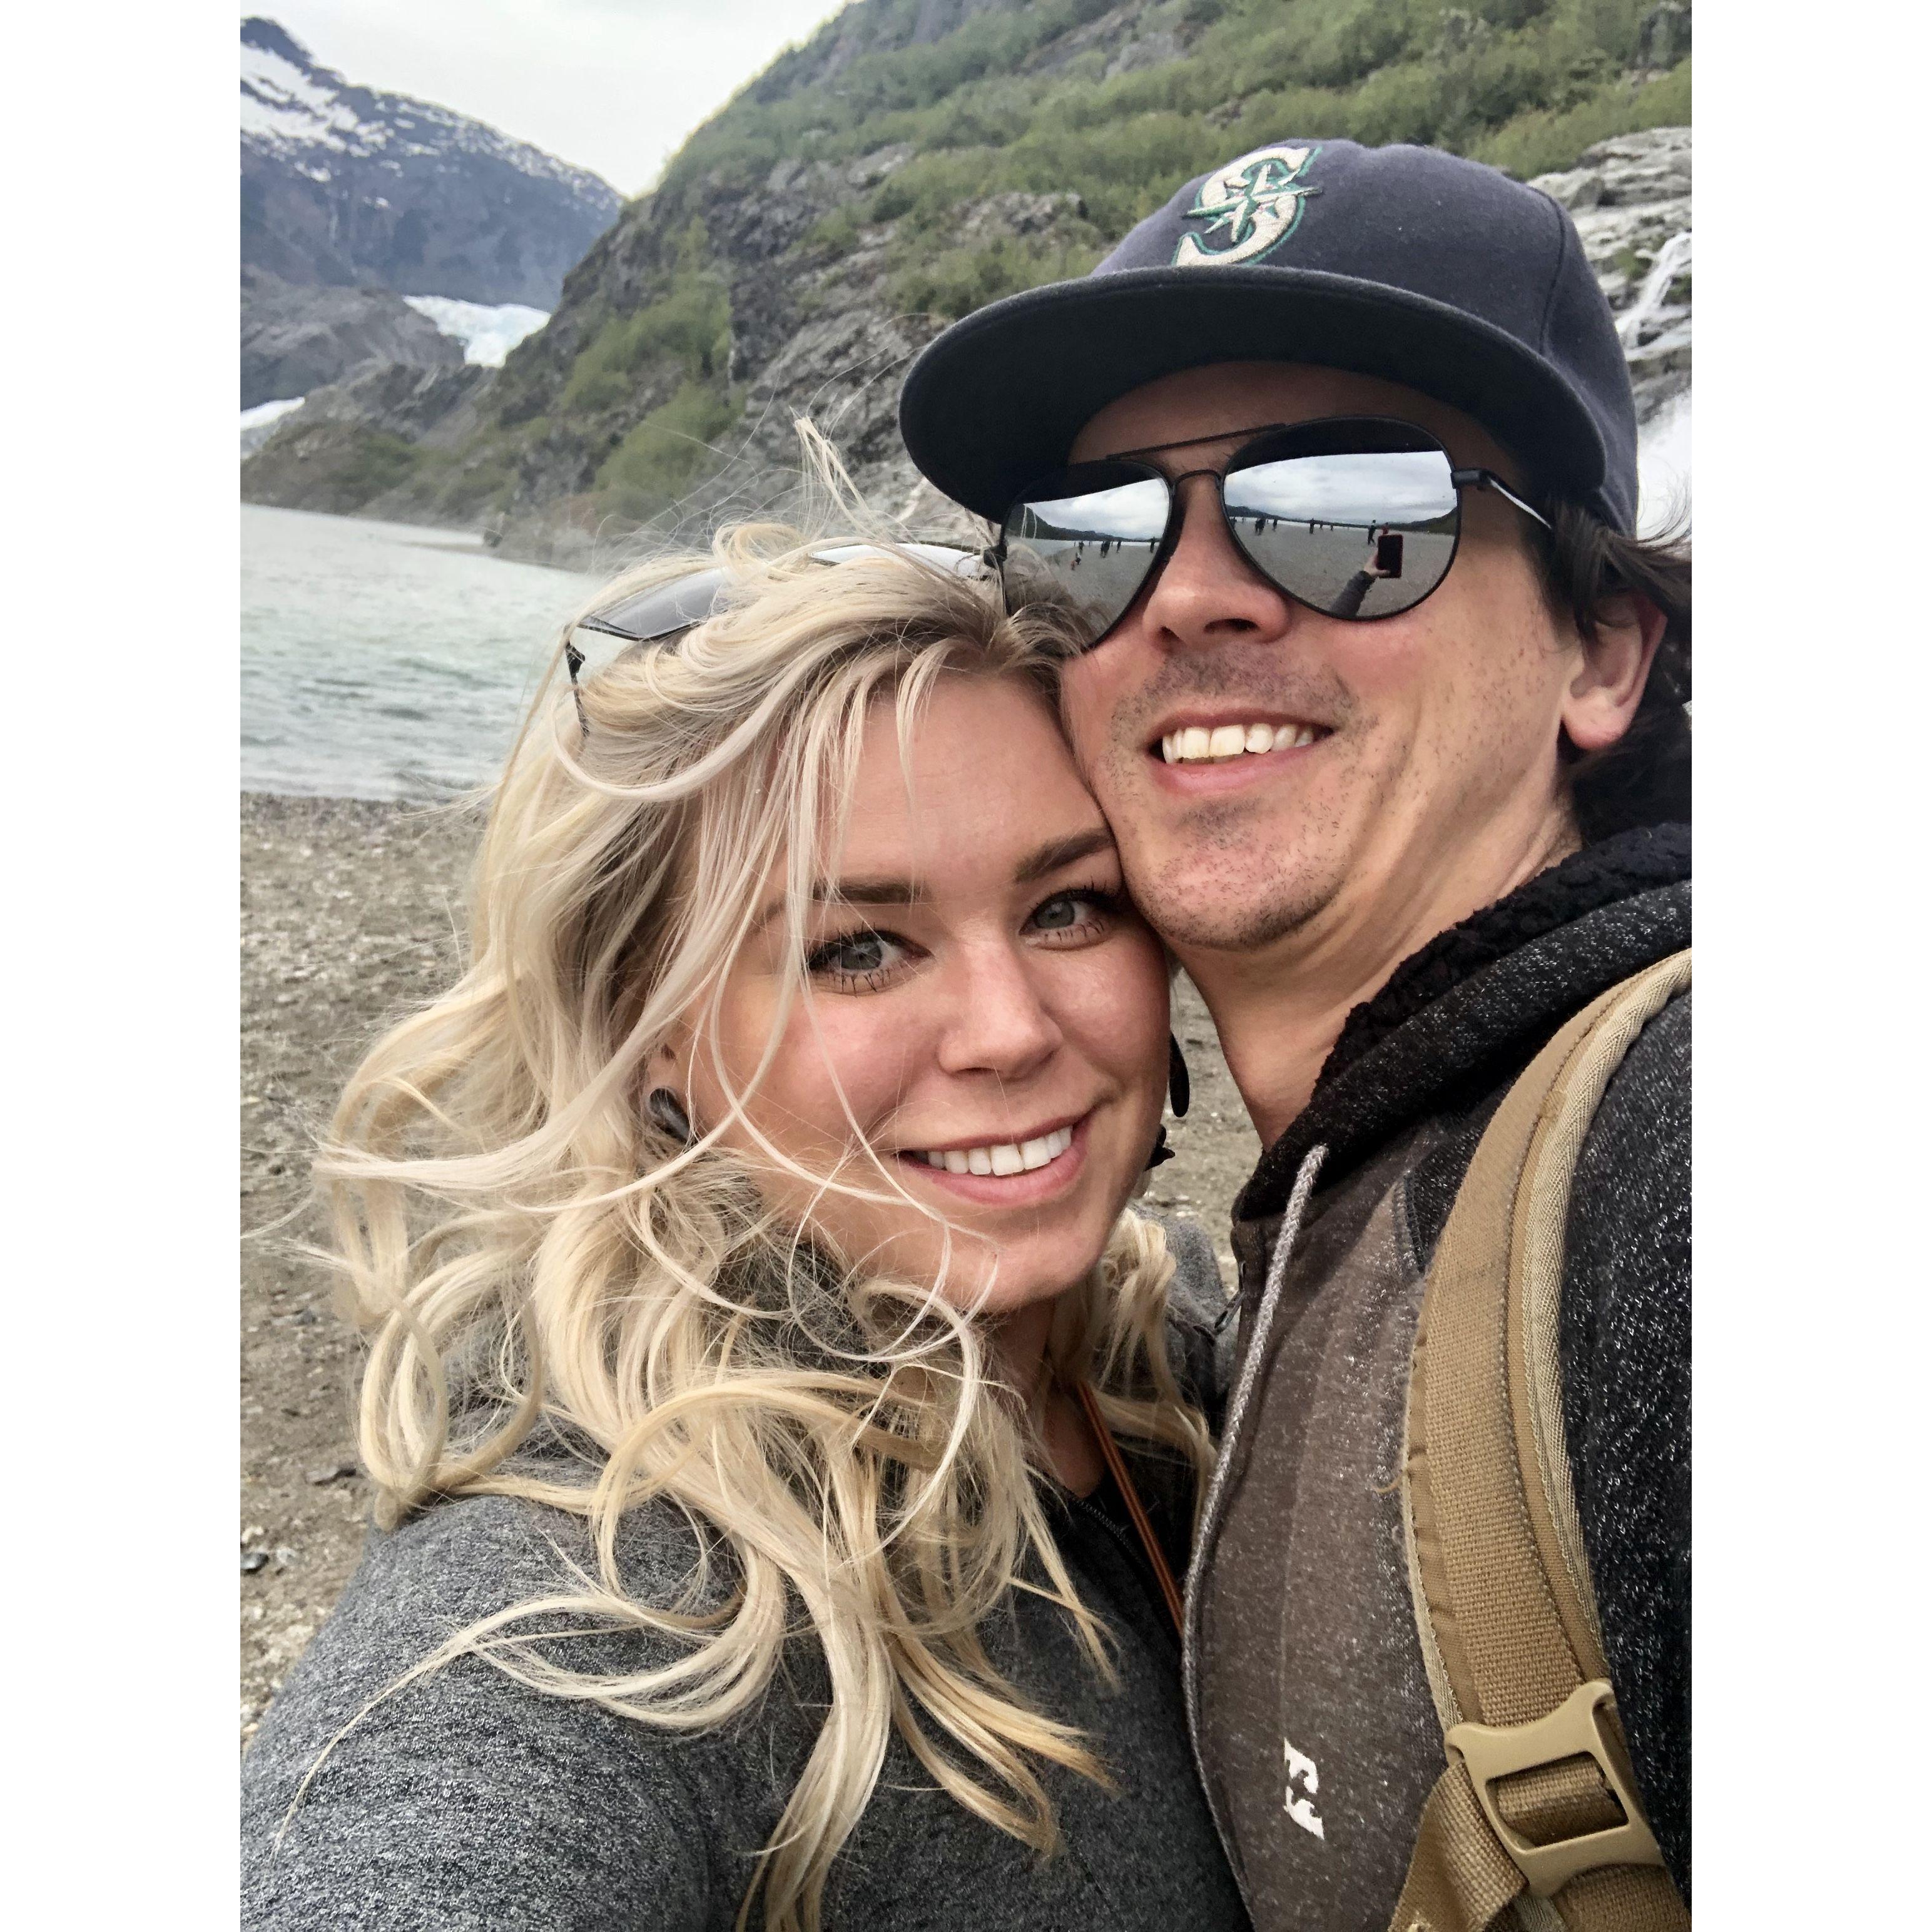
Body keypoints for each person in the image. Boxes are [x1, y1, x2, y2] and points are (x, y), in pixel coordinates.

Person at [900, 136, 1690, 1929]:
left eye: (1349, 512)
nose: (1187, 594)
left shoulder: (1681, 1168)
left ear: (1602, 652)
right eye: (1093, 540)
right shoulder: (1324, 1221)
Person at [238, 533, 1250, 1932]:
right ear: (650, 1037)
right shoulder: (616, 1582)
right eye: (857, 946)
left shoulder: (1193, 1355)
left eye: (1065, 906)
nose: (1013, 1028)